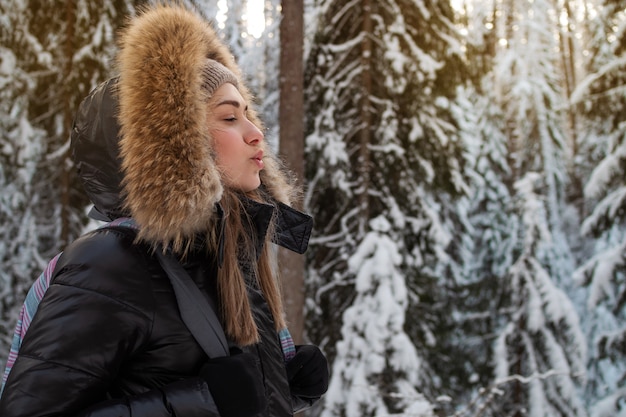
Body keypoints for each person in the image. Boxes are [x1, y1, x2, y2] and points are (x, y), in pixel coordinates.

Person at [0, 3, 328, 417]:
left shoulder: (223, 257)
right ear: (178, 144)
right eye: (229, 117)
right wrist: (202, 404)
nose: (255, 133)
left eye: (248, 113)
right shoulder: (108, 267)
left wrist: (280, 384)